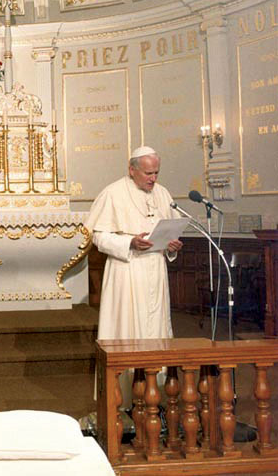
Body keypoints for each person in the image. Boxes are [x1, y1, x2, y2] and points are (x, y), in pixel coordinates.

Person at [85, 146, 182, 406]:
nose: (153, 179)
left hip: (156, 271)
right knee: (126, 330)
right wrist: (129, 242)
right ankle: (123, 400)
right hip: (126, 272)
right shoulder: (113, 193)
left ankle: (157, 398)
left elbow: (169, 229)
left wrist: (171, 246)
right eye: (148, 173)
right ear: (132, 170)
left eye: (156, 173)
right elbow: (98, 236)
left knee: (157, 331)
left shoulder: (163, 194)